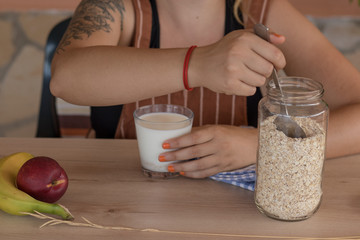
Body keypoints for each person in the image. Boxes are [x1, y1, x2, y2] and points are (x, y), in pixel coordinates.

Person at [50, 0, 360, 178]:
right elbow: (65, 77)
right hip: (121, 200)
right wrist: (197, 64)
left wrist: (263, 144)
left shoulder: (262, 11)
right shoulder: (116, 6)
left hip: (234, 216)